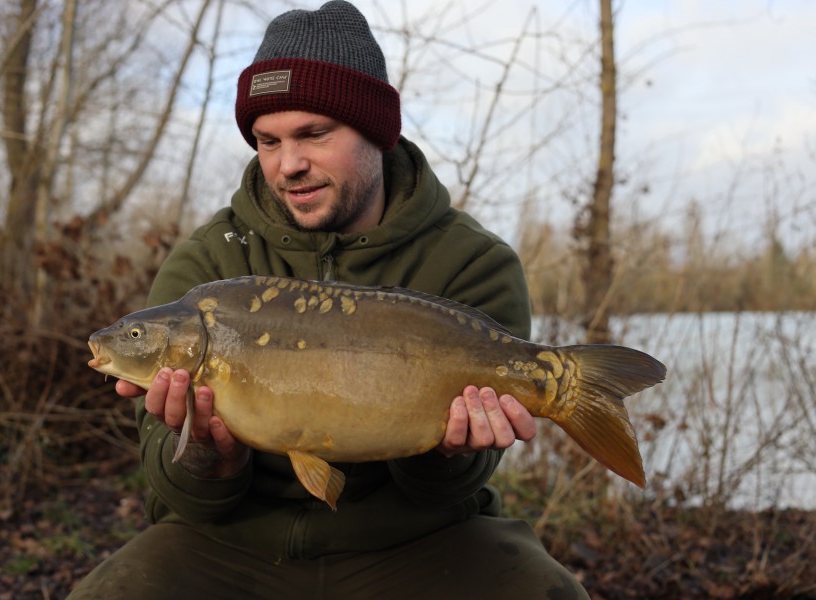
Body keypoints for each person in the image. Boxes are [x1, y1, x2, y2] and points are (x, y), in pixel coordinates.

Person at [69, 2, 589, 598]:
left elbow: (450, 490)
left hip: (418, 542)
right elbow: (182, 498)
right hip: (231, 544)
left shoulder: (471, 261)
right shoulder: (206, 265)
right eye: (268, 141)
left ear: (375, 129)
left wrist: (446, 452)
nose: (289, 165)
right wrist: (208, 455)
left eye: (314, 134)